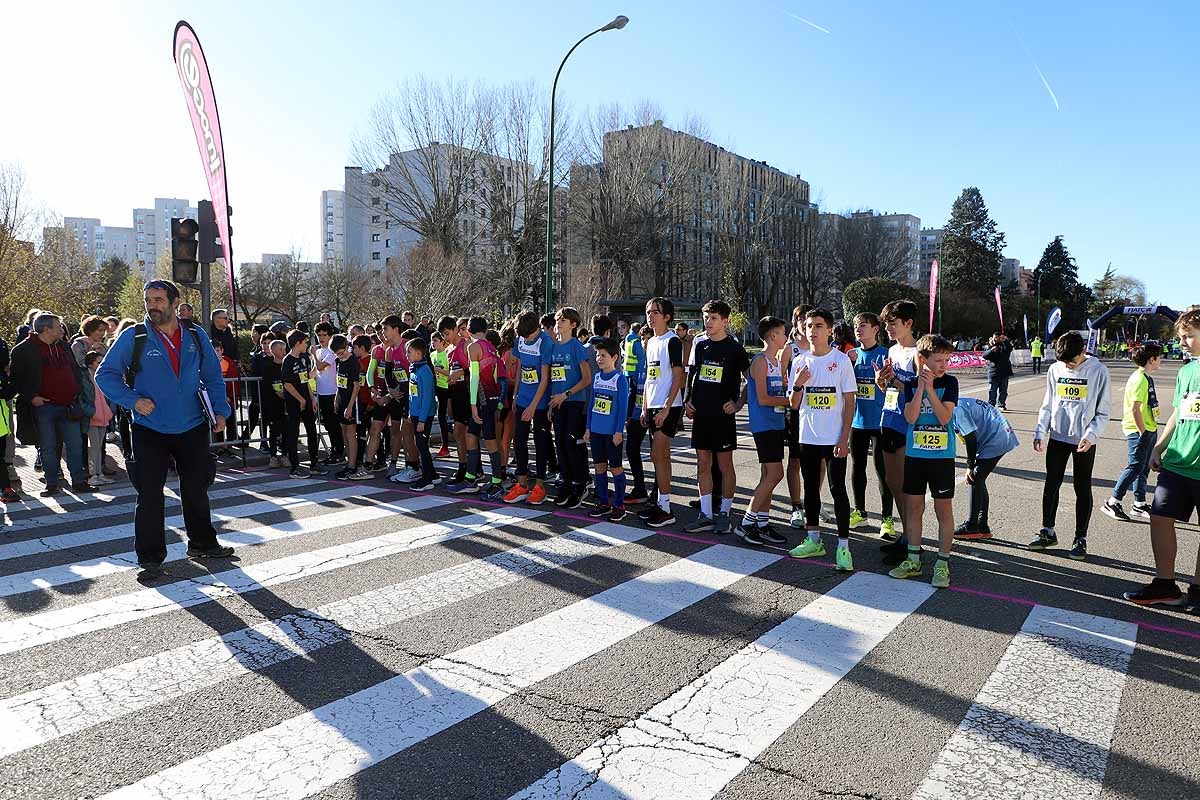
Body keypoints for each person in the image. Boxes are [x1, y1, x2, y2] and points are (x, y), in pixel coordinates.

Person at [95, 280, 233, 579]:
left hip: (193, 424)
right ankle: (150, 558)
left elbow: (212, 376)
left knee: (196, 488)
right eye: (148, 299)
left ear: (174, 302)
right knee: (150, 494)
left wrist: (220, 411)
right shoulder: (135, 336)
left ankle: (202, 543)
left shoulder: (195, 335)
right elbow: (105, 374)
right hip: (150, 428)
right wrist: (133, 400)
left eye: (158, 299)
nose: (152, 305)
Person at [1123, 310, 1200, 607]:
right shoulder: (1186, 372)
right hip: (1178, 462)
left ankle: (1197, 589)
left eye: (1189, 336)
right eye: (1181, 337)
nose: (1183, 342)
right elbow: (1179, 414)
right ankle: (1165, 584)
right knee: (1160, 517)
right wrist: (1159, 447)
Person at [786, 309, 858, 571]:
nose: (813, 330)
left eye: (818, 325)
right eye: (809, 326)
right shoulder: (799, 362)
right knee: (810, 488)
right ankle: (814, 539)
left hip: (834, 438)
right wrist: (798, 384)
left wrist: (844, 437)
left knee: (838, 490)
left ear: (829, 330)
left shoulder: (840, 361)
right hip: (808, 436)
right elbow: (794, 405)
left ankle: (843, 546)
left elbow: (849, 403)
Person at [1030, 331, 1110, 560]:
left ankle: (1080, 538)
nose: (1068, 366)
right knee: (1051, 484)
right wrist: (1040, 431)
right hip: (1058, 437)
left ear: (1083, 351)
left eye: (1071, 361)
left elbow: (1104, 411)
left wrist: (1092, 435)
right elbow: (1048, 403)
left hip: (1083, 440)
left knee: (1082, 488)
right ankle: (1048, 531)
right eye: (1063, 361)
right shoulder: (1055, 369)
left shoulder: (1098, 371)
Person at [887, 335, 960, 588]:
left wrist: (930, 390)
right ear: (922, 359)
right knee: (914, 507)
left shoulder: (950, 383)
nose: (943, 365)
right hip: (915, 456)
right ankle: (913, 560)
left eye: (947, 360)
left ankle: (942, 563)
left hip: (941, 457)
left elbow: (943, 418)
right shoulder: (910, 385)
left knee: (943, 510)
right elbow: (910, 417)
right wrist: (920, 388)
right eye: (938, 360)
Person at [683, 300, 749, 534]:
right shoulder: (700, 346)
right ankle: (706, 513)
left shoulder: (735, 348)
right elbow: (693, 375)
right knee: (703, 463)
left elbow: (750, 379)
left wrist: (739, 402)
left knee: (724, 465)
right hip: (701, 415)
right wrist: (688, 400)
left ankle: (725, 512)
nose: (707, 322)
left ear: (725, 321)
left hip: (722, 417)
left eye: (712, 318)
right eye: (705, 317)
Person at [10, 312, 92, 496]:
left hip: (69, 405)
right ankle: (52, 484)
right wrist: (31, 397)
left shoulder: (63, 346)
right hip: (44, 407)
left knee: (75, 444)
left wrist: (76, 390)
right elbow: (17, 379)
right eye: (58, 326)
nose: (61, 329)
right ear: (46, 329)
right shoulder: (23, 350)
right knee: (47, 447)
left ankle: (79, 481)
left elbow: (74, 369)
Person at [734, 316, 791, 546]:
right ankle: (746, 522)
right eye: (783, 333)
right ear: (773, 336)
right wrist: (792, 401)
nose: (786, 337)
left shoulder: (776, 362)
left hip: (776, 423)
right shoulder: (760, 361)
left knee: (768, 475)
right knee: (776, 474)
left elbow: (756, 388)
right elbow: (765, 398)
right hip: (764, 424)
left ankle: (762, 522)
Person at [875, 300, 920, 562]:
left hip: (907, 424)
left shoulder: (917, 353)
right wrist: (883, 382)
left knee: (906, 486)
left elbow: (917, 391)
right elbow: (890, 388)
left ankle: (913, 541)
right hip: (888, 418)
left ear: (908, 323)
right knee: (892, 482)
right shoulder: (892, 350)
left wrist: (893, 381)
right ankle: (905, 536)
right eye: (887, 324)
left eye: (893, 324)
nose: (889, 328)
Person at [638, 297, 685, 528]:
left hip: (670, 406)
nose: (650, 315)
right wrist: (645, 406)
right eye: (648, 312)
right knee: (657, 456)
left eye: (655, 312)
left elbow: (678, 376)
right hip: (653, 404)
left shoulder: (672, 341)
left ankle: (666, 507)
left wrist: (666, 408)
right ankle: (660, 502)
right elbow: (649, 377)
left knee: (660, 453)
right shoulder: (650, 342)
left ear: (667, 316)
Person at [1103, 343, 1163, 522]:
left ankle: (1139, 503)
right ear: (1151, 360)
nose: (1160, 360)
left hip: (1149, 428)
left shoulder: (1146, 377)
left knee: (1143, 468)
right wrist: (1143, 432)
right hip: (1138, 430)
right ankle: (1113, 502)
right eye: (1158, 357)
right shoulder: (1139, 379)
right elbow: (1135, 409)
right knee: (1135, 466)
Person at [848, 312, 895, 535]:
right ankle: (859, 512)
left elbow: (894, 389)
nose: (858, 329)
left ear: (876, 329)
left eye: (864, 325)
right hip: (857, 423)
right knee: (857, 469)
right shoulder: (850, 356)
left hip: (880, 423)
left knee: (883, 472)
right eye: (856, 325)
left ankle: (887, 519)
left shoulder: (886, 355)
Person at [450, 317, 507, 499]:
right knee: (471, 436)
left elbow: (474, 378)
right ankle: (471, 479)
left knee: (489, 441)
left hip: (483, 400)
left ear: (469, 330)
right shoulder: (490, 346)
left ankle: (497, 483)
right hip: (491, 397)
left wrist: (473, 405)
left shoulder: (473, 346)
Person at [503, 310, 554, 504]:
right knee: (519, 440)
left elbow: (545, 378)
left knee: (541, 442)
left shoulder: (546, 342)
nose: (526, 339)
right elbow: (522, 367)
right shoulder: (520, 339)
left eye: (529, 336)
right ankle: (521, 484)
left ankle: (540, 486)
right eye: (523, 336)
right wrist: (516, 394)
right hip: (523, 396)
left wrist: (534, 406)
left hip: (539, 401)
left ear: (537, 329)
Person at [952, 397, 1020, 539]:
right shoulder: (954, 404)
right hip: (995, 433)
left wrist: (969, 466)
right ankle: (982, 525)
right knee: (979, 478)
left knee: (975, 477)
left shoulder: (956, 409)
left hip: (997, 436)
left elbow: (970, 438)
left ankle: (972, 525)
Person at [547, 307, 592, 508]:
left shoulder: (577, 347)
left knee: (572, 442)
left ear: (573, 325)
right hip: (557, 403)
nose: (559, 323)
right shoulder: (554, 348)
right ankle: (565, 482)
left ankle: (580, 483)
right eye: (557, 319)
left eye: (563, 320)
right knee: (560, 443)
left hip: (574, 402)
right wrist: (552, 403)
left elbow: (586, 379)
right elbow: (553, 378)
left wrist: (566, 395)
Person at [584, 338, 629, 521]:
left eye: (603, 355)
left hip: (612, 433)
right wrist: (588, 427)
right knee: (599, 467)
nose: (599, 358)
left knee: (615, 468)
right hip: (596, 431)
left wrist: (619, 431)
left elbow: (622, 408)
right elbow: (592, 406)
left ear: (615, 357)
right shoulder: (596, 378)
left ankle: (619, 504)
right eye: (597, 355)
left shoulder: (620, 379)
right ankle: (603, 502)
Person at [280, 329, 328, 478]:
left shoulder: (305, 358)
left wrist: (311, 398)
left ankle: (314, 463)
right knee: (293, 432)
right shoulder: (287, 360)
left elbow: (306, 379)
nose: (306, 344)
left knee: (311, 431)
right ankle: (295, 467)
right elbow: (287, 384)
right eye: (305, 342)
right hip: (294, 401)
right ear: (297, 343)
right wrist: (300, 399)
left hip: (306, 399)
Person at [784, 304, 812, 526]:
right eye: (800, 318)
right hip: (795, 409)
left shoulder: (824, 347)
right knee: (795, 459)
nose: (804, 322)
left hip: (820, 411)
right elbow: (780, 378)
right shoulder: (789, 348)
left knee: (819, 461)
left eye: (808, 319)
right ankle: (796, 506)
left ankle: (814, 501)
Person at [623, 321, 649, 504]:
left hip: (654, 411)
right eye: (642, 339)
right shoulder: (639, 362)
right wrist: (628, 415)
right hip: (637, 412)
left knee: (658, 454)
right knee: (631, 449)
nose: (644, 342)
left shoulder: (659, 361)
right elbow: (632, 389)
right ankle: (639, 488)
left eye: (648, 338)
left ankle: (658, 492)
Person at [312, 322, 345, 465]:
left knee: (334, 424)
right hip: (321, 392)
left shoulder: (332, 351)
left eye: (324, 335)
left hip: (332, 392)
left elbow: (321, 366)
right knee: (327, 423)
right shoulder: (319, 351)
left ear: (330, 336)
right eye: (319, 335)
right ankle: (334, 450)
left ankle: (339, 451)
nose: (321, 338)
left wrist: (313, 354)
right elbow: (314, 371)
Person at [83, 351, 115, 485]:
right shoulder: (85, 377)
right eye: (98, 362)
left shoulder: (101, 377)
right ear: (90, 364)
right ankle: (92, 474)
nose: (101, 364)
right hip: (92, 416)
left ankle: (99, 473)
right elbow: (84, 397)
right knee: (93, 446)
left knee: (99, 446)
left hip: (103, 415)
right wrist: (91, 412)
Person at [261, 339, 286, 467]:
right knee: (273, 430)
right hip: (272, 403)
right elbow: (266, 385)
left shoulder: (286, 365)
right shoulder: (268, 367)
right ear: (273, 350)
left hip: (286, 403)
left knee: (286, 430)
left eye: (284, 349)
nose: (283, 351)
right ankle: (273, 456)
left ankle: (285, 455)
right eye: (280, 349)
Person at [431, 332, 452, 458]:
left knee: (442, 416)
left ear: (442, 342)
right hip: (435, 387)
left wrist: (438, 370)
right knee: (438, 416)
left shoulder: (446, 354)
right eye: (432, 341)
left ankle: (445, 446)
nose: (433, 343)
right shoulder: (432, 354)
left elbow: (451, 372)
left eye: (436, 340)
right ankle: (443, 446)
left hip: (446, 388)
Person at [983, 333, 1014, 410]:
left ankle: (1001, 404)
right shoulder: (990, 345)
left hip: (1004, 372)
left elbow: (1009, 349)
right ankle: (991, 405)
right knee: (992, 390)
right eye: (995, 337)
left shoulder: (1004, 345)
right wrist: (991, 350)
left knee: (1003, 390)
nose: (996, 339)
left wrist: (1005, 341)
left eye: (998, 337)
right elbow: (985, 356)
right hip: (993, 372)